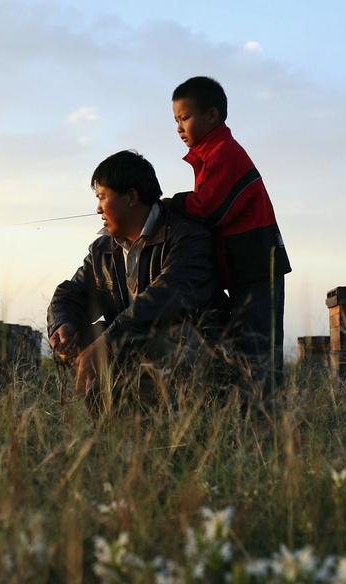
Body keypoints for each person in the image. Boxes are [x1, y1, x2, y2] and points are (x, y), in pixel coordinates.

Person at [47, 150, 220, 403]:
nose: (98, 208)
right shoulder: (103, 250)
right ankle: (101, 415)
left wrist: (107, 343)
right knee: (79, 341)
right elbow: (71, 294)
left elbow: (165, 299)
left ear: (131, 197)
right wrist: (62, 325)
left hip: (193, 361)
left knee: (169, 336)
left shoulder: (186, 237)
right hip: (132, 351)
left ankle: (184, 415)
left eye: (102, 197)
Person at [166, 76, 292, 410]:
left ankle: (266, 418)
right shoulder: (210, 155)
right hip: (244, 267)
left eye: (185, 117)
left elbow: (210, 208)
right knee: (246, 344)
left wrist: (172, 203)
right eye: (176, 120)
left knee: (259, 346)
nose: (179, 128)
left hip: (258, 265)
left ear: (213, 115)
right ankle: (252, 413)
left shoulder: (224, 153)